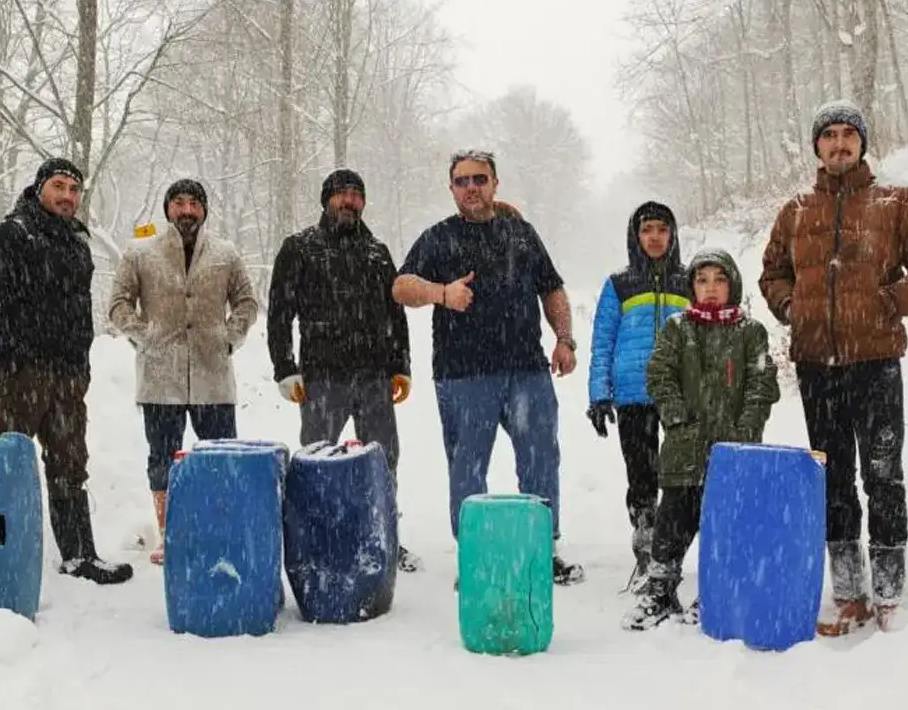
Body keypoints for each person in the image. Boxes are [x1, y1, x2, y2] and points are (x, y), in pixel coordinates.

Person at [759, 99, 908, 634]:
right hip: (817, 366)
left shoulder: (897, 202)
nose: (839, 143)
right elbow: (771, 273)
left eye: (849, 134)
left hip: (876, 362)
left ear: (862, 144)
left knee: (884, 474)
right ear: (817, 146)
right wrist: (793, 308)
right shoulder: (795, 211)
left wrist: (892, 301)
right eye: (829, 135)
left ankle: (888, 592)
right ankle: (848, 593)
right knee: (834, 478)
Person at [392, 149, 584, 586]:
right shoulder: (438, 238)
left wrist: (565, 339)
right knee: (467, 466)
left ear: (496, 183)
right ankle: (475, 556)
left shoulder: (522, 234)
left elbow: (552, 288)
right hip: (463, 374)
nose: (472, 187)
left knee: (540, 458)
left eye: (480, 179)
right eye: (462, 181)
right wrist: (442, 293)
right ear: (452, 189)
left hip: (526, 369)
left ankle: (541, 548)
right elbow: (402, 287)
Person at [0, 157, 133, 585]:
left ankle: (79, 557)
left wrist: (81, 361)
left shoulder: (76, 241)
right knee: (10, 461)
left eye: (74, 190)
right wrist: (7, 348)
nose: (68, 196)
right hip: (22, 375)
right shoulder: (15, 233)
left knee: (70, 464)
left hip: (67, 377)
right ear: (40, 188)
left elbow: (76, 309)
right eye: (59, 186)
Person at [267, 169, 420, 572]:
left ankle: (385, 535)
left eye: (356, 194)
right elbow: (280, 313)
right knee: (316, 460)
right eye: (341, 194)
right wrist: (285, 367)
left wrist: (400, 365)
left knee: (384, 462)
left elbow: (395, 315)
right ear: (325, 200)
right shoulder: (299, 248)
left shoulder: (377, 252)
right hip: (322, 378)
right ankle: (314, 537)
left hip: (373, 377)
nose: (348, 201)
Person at [623, 249, 780, 630]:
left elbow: (762, 385)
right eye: (701, 280)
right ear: (691, 287)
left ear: (734, 285)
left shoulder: (750, 332)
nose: (710, 288)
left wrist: (746, 431)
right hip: (683, 448)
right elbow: (659, 373)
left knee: (727, 524)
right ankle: (660, 592)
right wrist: (676, 418)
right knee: (671, 522)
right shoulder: (678, 329)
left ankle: (716, 594)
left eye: (719, 279)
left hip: (733, 452)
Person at [108, 178, 259, 565]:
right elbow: (118, 305)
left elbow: (246, 301)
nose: (187, 210)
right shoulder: (140, 253)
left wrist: (229, 338)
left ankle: (220, 532)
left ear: (204, 210)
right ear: (167, 209)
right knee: (163, 459)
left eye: (194, 203)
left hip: (213, 378)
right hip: (160, 380)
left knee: (222, 458)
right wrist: (146, 337)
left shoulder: (225, 253)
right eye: (178, 203)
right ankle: (169, 535)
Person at [586, 200, 692, 594]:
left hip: (679, 395)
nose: (654, 237)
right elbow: (602, 342)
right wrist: (599, 394)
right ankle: (646, 549)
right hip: (632, 395)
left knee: (678, 475)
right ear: (635, 235)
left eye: (662, 230)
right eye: (647, 230)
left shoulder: (689, 280)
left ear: (672, 234)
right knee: (642, 477)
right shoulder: (619, 284)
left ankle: (670, 551)